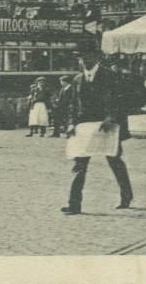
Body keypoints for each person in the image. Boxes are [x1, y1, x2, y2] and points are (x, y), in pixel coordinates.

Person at [60, 49, 133, 215]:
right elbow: (72, 105)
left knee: (115, 161)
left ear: (96, 57)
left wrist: (112, 117)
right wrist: (71, 124)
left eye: (89, 56)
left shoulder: (111, 76)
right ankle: (74, 204)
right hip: (84, 128)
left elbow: (123, 99)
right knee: (79, 165)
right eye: (82, 57)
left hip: (107, 127)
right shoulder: (78, 80)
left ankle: (126, 196)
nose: (85, 60)